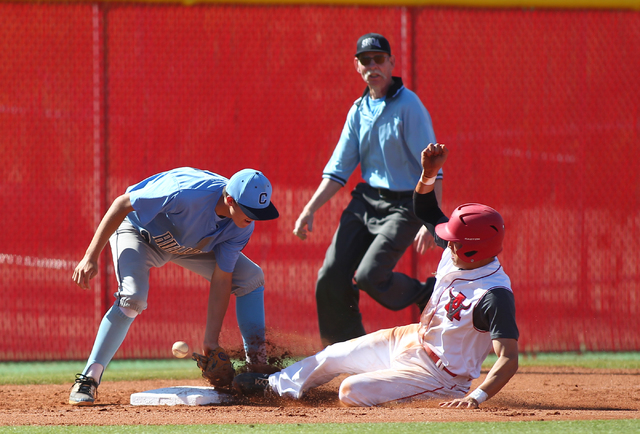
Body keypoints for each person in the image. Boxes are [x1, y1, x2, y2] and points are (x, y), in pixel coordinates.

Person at [234, 144, 519, 408]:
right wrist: (428, 174)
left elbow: (508, 358)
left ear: (474, 249)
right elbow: (426, 210)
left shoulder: (493, 296)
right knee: (333, 354)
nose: (446, 241)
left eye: (455, 240)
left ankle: (400, 387)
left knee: (351, 391)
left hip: (440, 376)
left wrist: (477, 396)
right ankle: (273, 385)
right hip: (409, 339)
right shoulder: (459, 250)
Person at [68, 167, 279, 406]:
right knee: (132, 298)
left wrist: (210, 340)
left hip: (185, 247)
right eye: (251, 210)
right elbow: (122, 203)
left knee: (251, 278)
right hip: (139, 233)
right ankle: (88, 379)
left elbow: (222, 278)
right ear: (229, 199)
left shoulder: (241, 225)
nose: (256, 217)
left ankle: (258, 371)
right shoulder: (185, 192)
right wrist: (90, 256)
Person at [293, 33, 443, 346]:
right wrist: (309, 209)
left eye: (378, 59)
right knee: (329, 278)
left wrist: (432, 221)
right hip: (366, 201)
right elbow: (338, 170)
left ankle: (427, 293)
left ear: (391, 62)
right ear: (357, 66)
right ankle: (344, 350)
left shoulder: (409, 106)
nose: (372, 65)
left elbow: (433, 169)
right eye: (365, 60)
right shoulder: (358, 110)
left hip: (405, 206)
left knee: (369, 276)